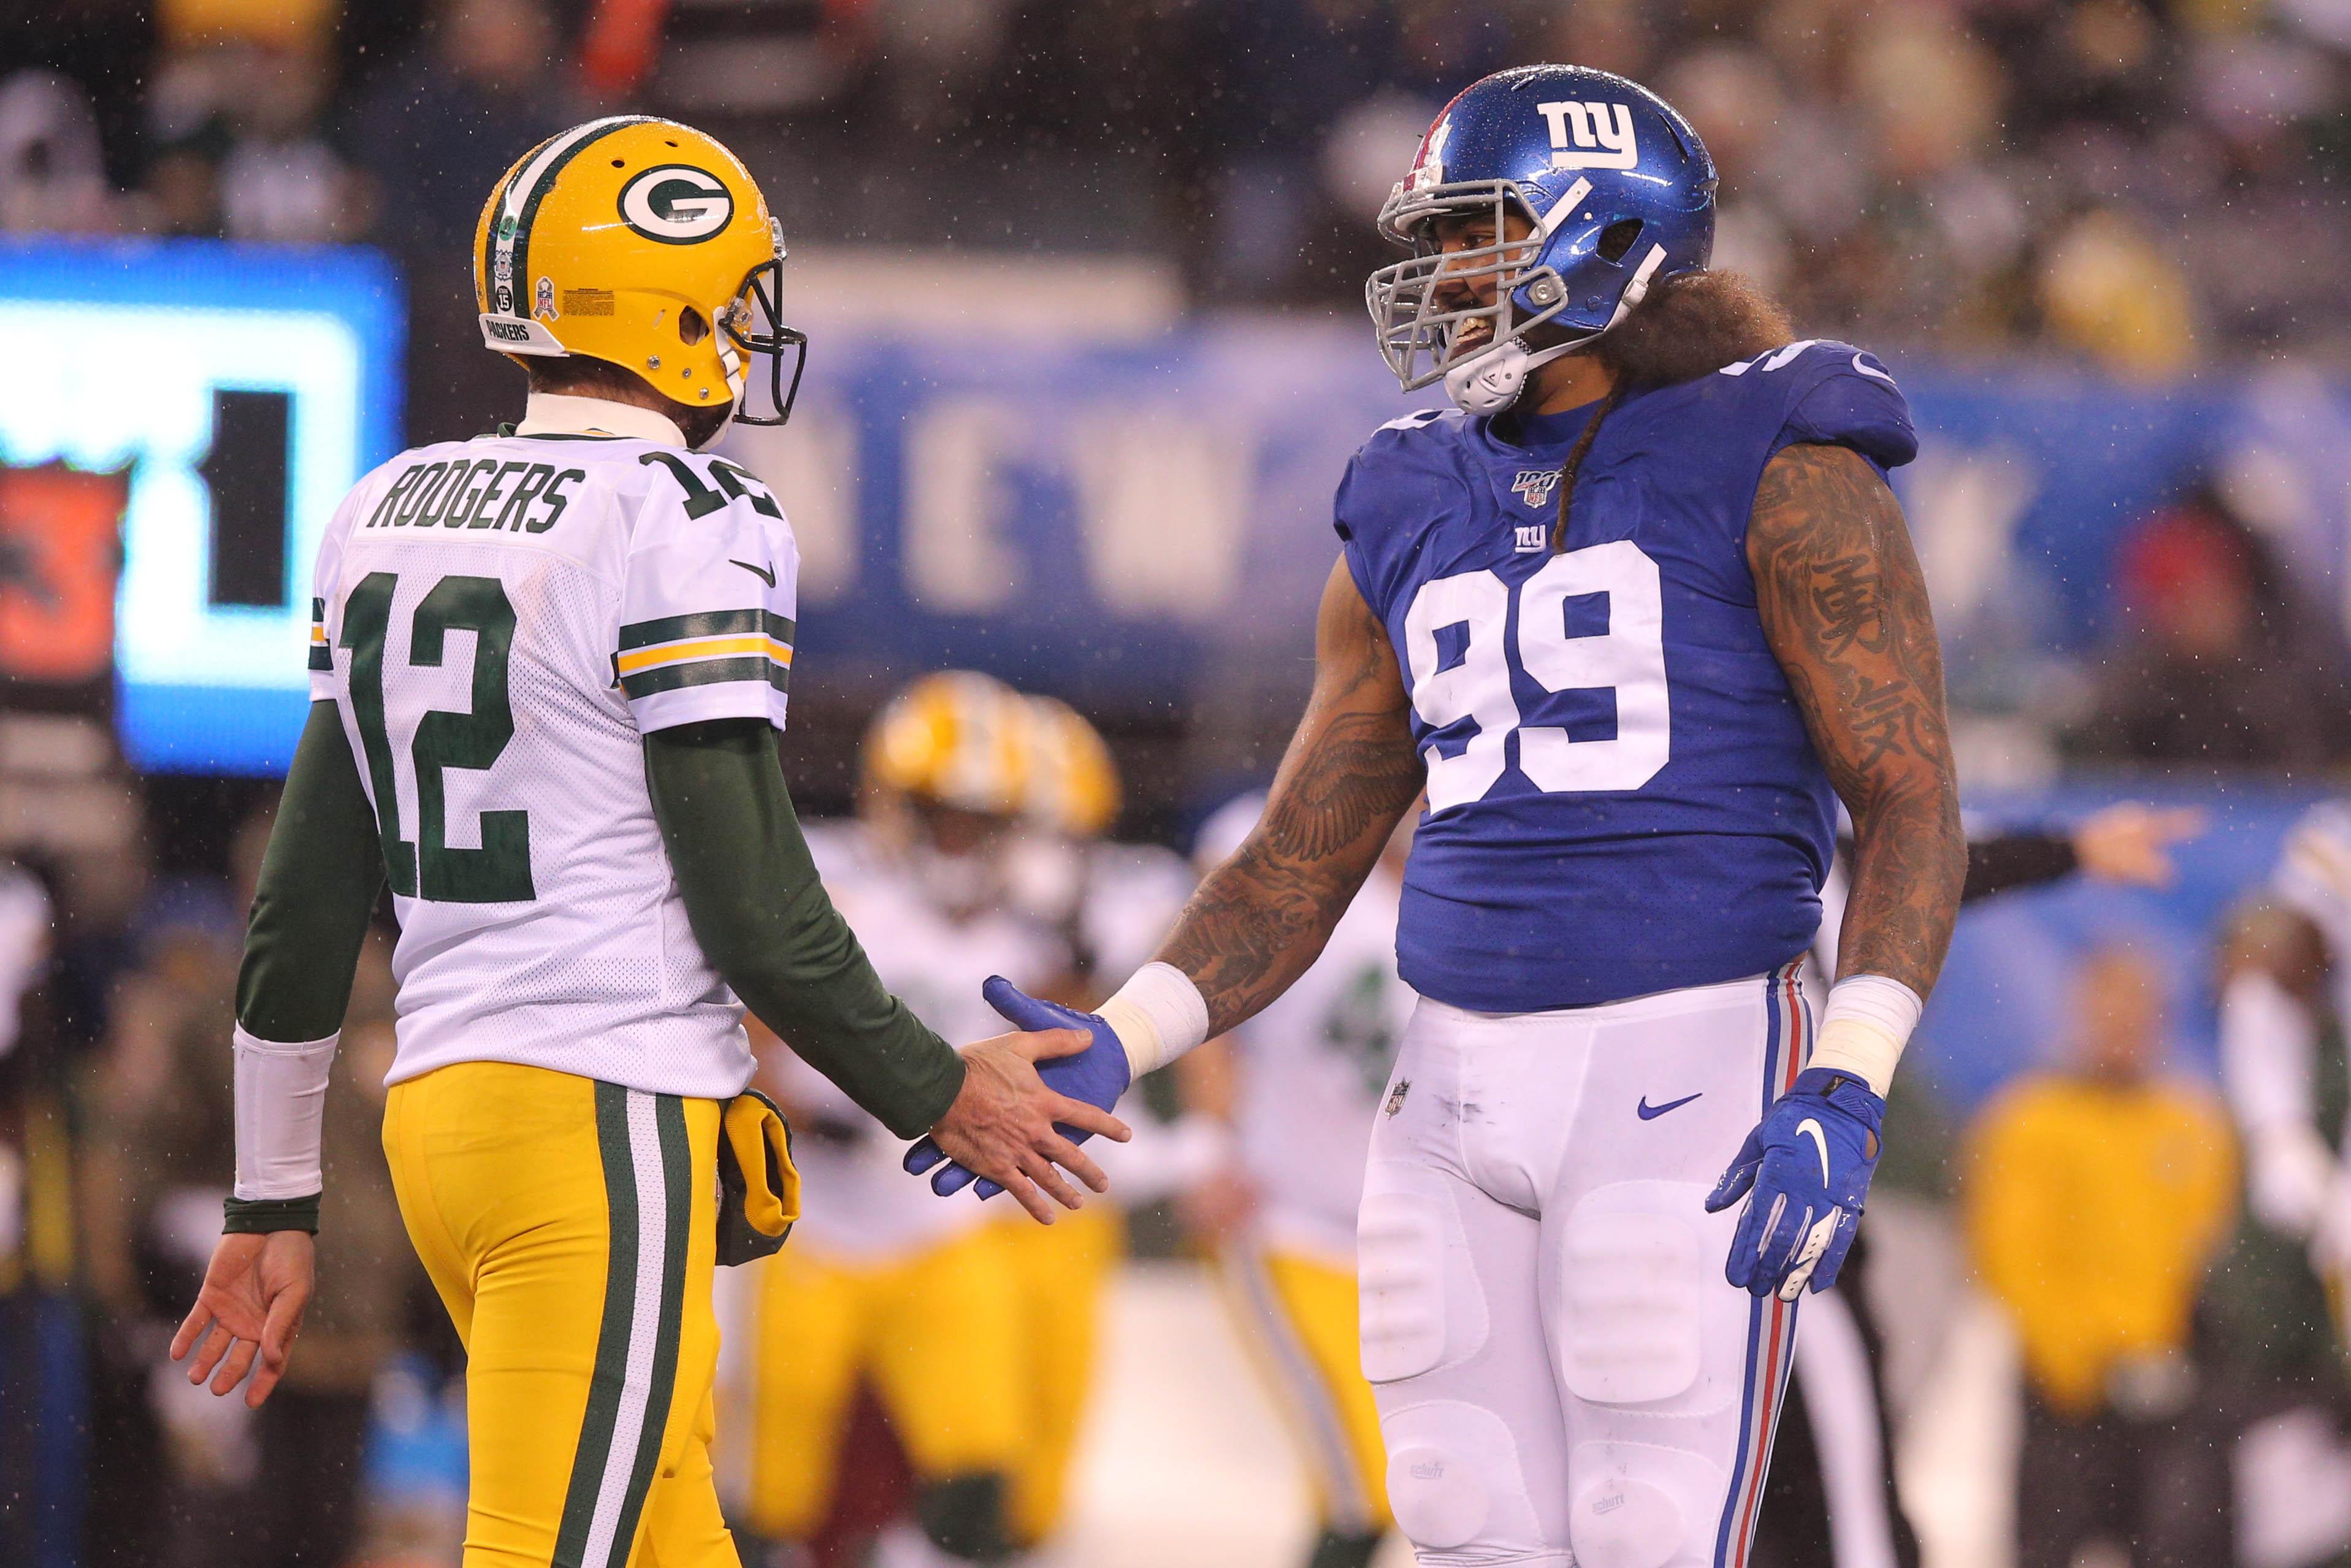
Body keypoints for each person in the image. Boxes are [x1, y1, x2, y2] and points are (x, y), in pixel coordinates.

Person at [915, 64, 1967, 1567]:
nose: (1437, 277)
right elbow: (1306, 841)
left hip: (1688, 1055)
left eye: (1475, 236)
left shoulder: (1776, 457)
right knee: (1461, 1526)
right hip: (1450, 1071)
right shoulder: (1410, 493)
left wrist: (1850, 1073)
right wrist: (1130, 1029)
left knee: (1646, 1533)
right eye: (1433, 242)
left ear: (1604, 236)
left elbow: (1910, 795)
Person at [167, 116, 1125, 1568]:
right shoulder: (688, 514)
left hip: (440, 1119)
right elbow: (754, 907)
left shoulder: (383, 507)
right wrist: (937, 1092)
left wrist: (273, 1189)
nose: (746, 337)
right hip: (596, 1114)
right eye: (731, 301)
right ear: (661, 306)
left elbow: (300, 905)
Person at [1758, 800, 2207, 1568]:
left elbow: (1928, 861)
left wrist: (2065, 848)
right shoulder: (2033, 1119)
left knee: (1842, 1484)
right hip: (1704, 1201)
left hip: (1810, 1217)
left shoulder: (2189, 1122)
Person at [728, 673, 1061, 1568]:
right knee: (767, 1501)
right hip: (807, 1230)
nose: (960, 839)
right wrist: (790, 1103)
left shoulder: (1040, 924)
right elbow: (743, 1017)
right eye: (943, 814)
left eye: (981, 820)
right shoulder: (835, 886)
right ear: (893, 803)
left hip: (938, 1232)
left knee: (983, 1483)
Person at [1176, 792, 1414, 1568]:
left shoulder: (1483, 897)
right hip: (1288, 1221)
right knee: (1369, 1487)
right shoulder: (1309, 874)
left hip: (1413, 1247)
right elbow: (1204, 1003)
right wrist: (1213, 1143)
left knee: (1416, 1482)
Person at [1965, 946, 2236, 1568]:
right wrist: (2084, 1362)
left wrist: (2166, 1355)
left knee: (2181, 1545)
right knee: (2050, 1547)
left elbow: (2204, 1250)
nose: (2123, 1028)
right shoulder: (2030, 1120)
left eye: (2136, 1013)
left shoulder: (2192, 1125)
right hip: (2062, 1396)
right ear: (2080, 1014)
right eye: (2109, 1011)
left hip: (2168, 1394)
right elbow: (2009, 1255)